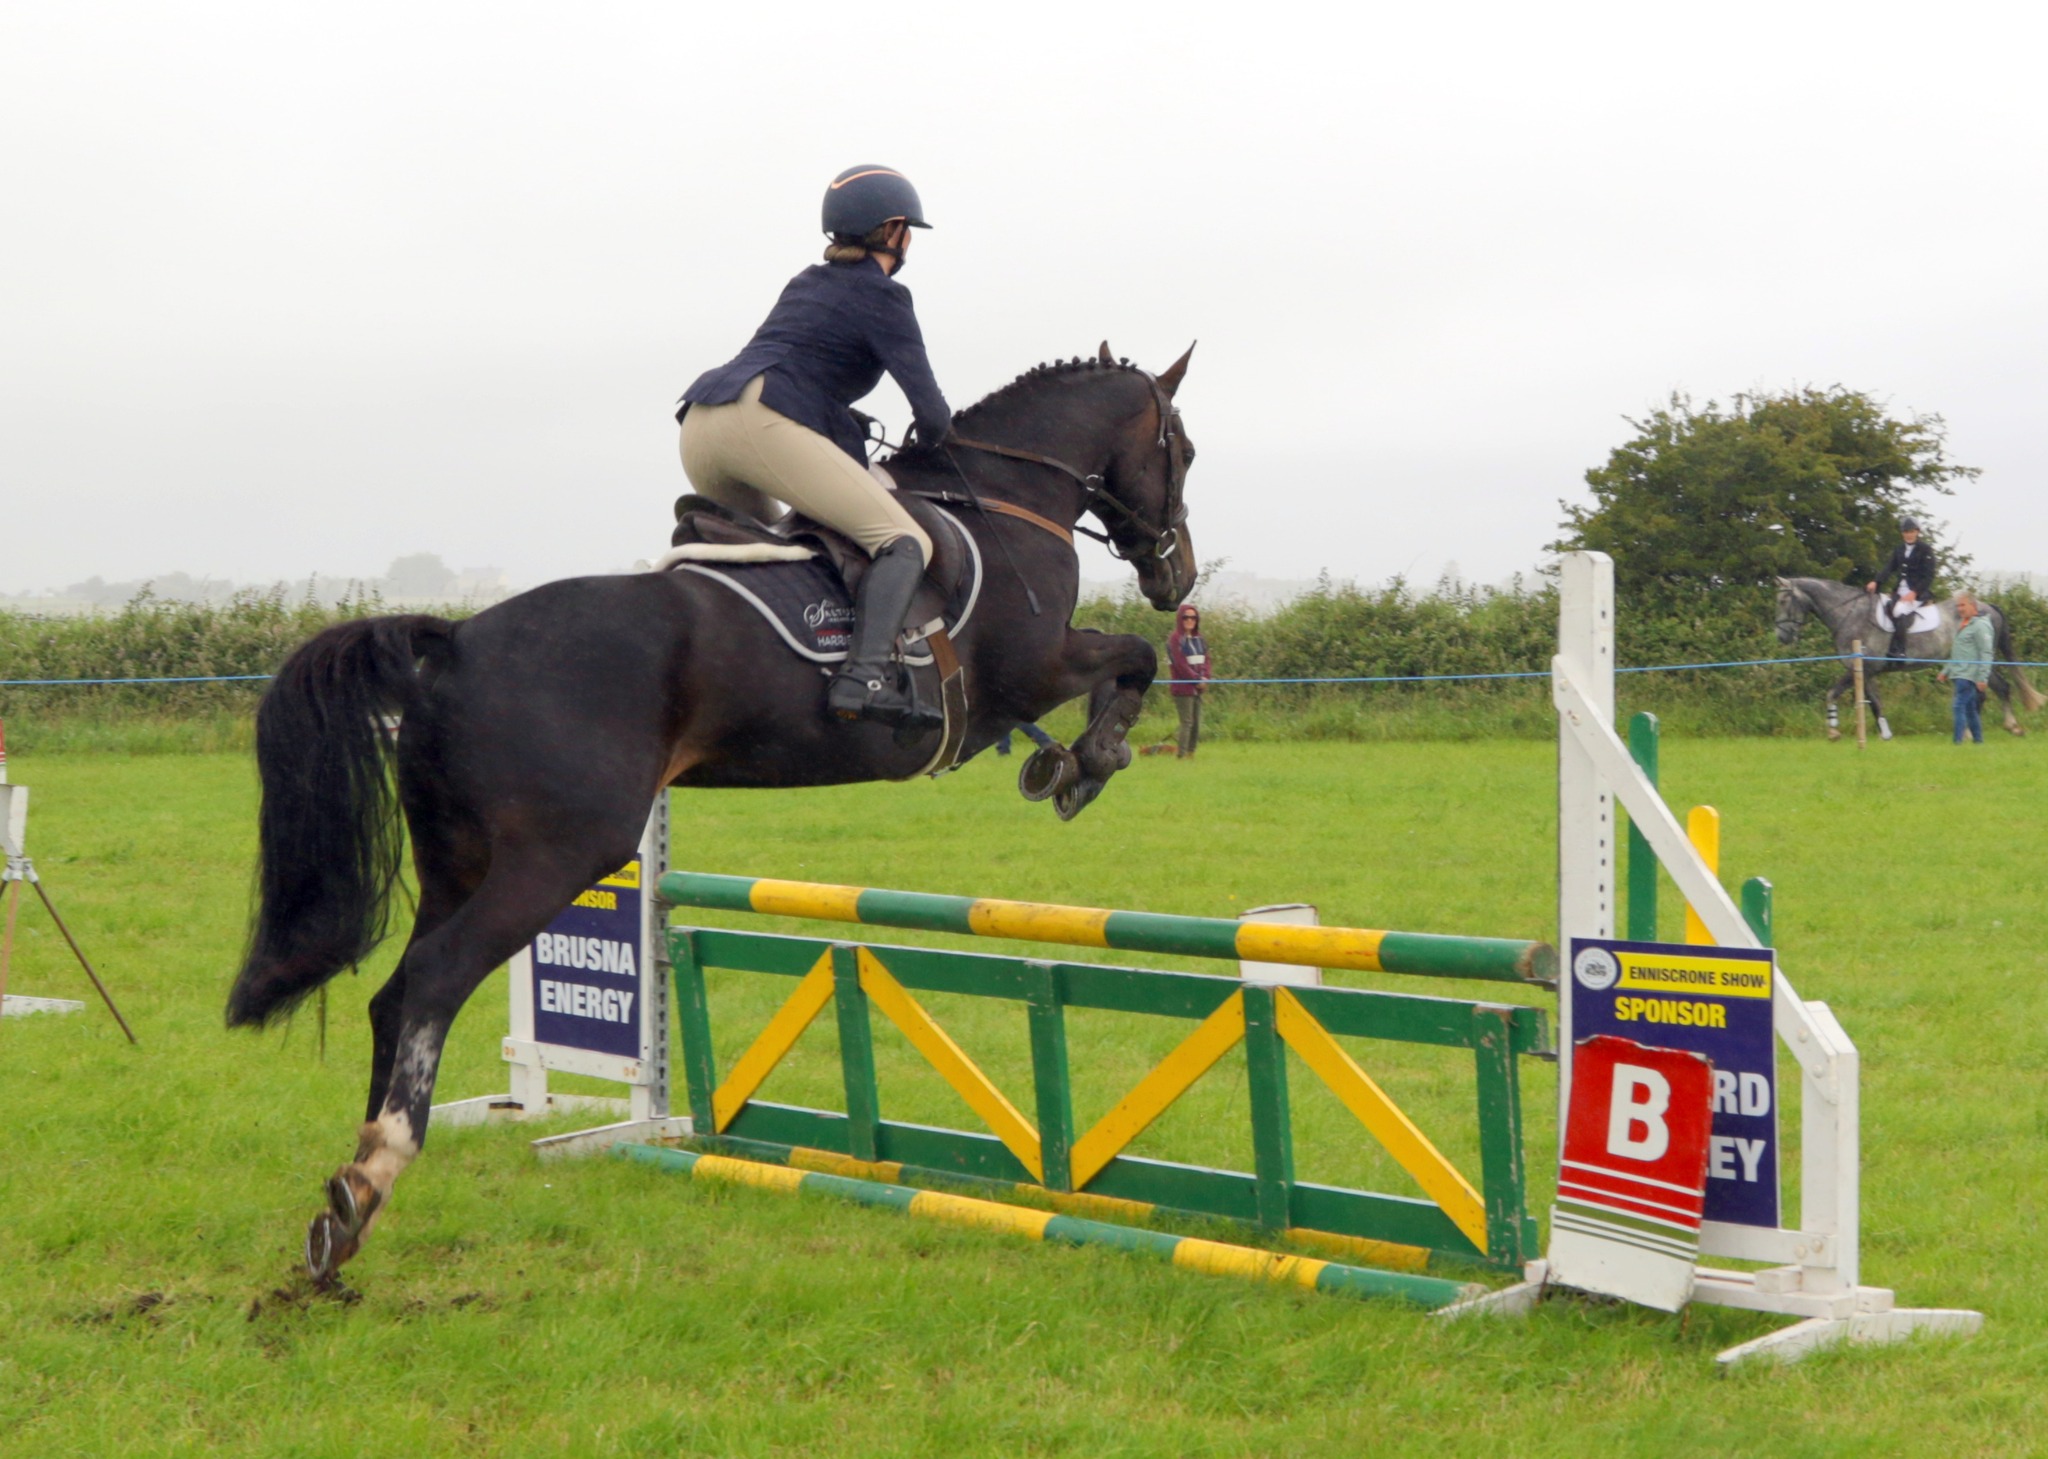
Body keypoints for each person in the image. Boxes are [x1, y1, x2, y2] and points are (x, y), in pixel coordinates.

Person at [675, 165, 952, 730]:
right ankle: (864, 678)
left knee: (774, 560)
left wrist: (839, 416)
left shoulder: (807, 281)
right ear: (894, 230)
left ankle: (755, 681)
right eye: (908, 231)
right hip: (760, 423)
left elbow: (798, 359)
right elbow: (931, 413)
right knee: (904, 542)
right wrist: (936, 446)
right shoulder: (885, 295)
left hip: (702, 423)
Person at [1867, 519, 1935, 661]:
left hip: (1918, 593)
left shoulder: (1925, 549)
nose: (1908, 535)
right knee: (1885, 607)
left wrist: (1914, 592)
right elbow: (1889, 568)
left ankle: (1900, 650)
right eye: (1906, 532)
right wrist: (1876, 581)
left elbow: (1928, 576)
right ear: (1902, 533)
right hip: (1899, 592)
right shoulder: (1899, 549)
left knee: (1899, 611)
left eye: (1911, 532)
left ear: (1917, 532)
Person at [1936, 590, 1993, 745]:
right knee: (1970, 709)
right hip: (1958, 673)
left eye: (1963, 605)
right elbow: (1958, 653)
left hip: (1968, 675)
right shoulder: (1962, 625)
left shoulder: (1980, 626)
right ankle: (1978, 741)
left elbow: (1986, 653)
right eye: (1958, 606)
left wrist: (1983, 677)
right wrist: (1946, 671)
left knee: (1958, 706)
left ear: (1973, 605)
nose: (1960, 609)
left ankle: (1957, 742)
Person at [1165, 604, 1211, 758]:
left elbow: (1206, 660)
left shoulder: (1200, 639)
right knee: (1187, 722)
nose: (1190, 620)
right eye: (1186, 617)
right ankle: (1182, 755)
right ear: (1180, 619)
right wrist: (1196, 680)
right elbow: (1180, 664)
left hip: (1199, 686)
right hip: (1183, 688)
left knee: (1196, 723)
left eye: (1193, 617)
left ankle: (1191, 753)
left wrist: (1205, 678)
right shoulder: (1175, 639)